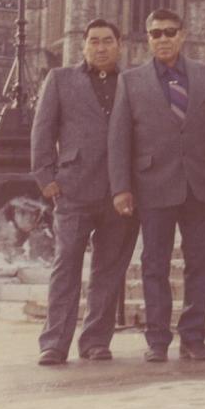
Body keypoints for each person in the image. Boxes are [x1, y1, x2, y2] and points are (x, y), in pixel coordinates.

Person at [108, 8, 205, 363]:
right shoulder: (130, 81)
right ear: (147, 38)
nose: (163, 39)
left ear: (183, 34)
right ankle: (158, 340)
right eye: (155, 33)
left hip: (203, 184)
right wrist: (121, 187)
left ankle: (194, 338)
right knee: (154, 264)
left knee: (201, 263)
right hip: (153, 185)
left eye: (169, 32)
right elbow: (119, 139)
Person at [31, 19, 139, 366]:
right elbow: (42, 130)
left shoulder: (133, 82)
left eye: (108, 40)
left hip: (120, 192)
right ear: (83, 46)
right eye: (94, 41)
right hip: (74, 189)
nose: (101, 47)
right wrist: (45, 176)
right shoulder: (61, 80)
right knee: (66, 267)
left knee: (108, 270)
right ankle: (54, 343)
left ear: (119, 45)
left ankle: (95, 341)